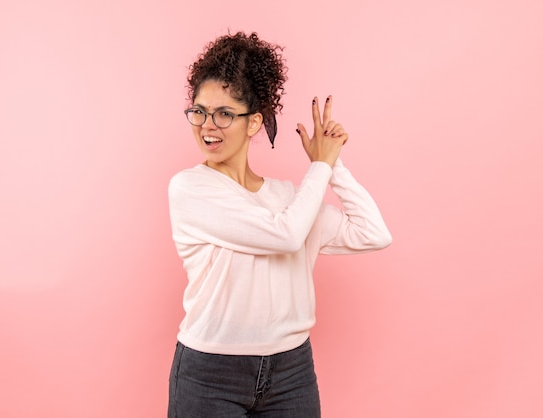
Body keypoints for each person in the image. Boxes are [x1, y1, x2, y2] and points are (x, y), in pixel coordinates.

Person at [167, 31, 392, 418]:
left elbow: (373, 232)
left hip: (291, 373)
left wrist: (333, 163)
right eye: (199, 111)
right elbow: (285, 236)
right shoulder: (191, 189)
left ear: (254, 122)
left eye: (224, 113)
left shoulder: (290, 200)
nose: (207, 125)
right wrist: (319, 166)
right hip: (210, 374)